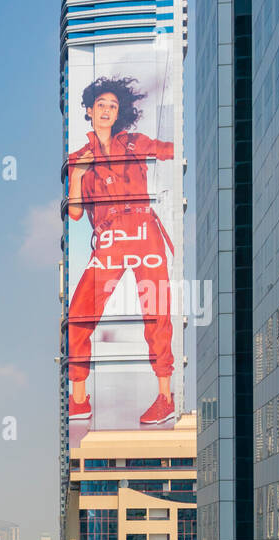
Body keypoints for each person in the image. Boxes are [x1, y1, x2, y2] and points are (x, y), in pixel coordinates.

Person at [67, 75, 176, 426]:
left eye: (113, 106)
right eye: (101, 105)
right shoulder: (79, 157)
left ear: (119, 113)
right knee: (79, 314)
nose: (107, 111)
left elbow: (170, 150)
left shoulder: (135, 143)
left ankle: (165, 397)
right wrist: (77, 175)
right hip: (110, 237)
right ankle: (80, 399)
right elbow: (74, 212)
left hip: (145, 230)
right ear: (89, 109)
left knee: (157, 312)